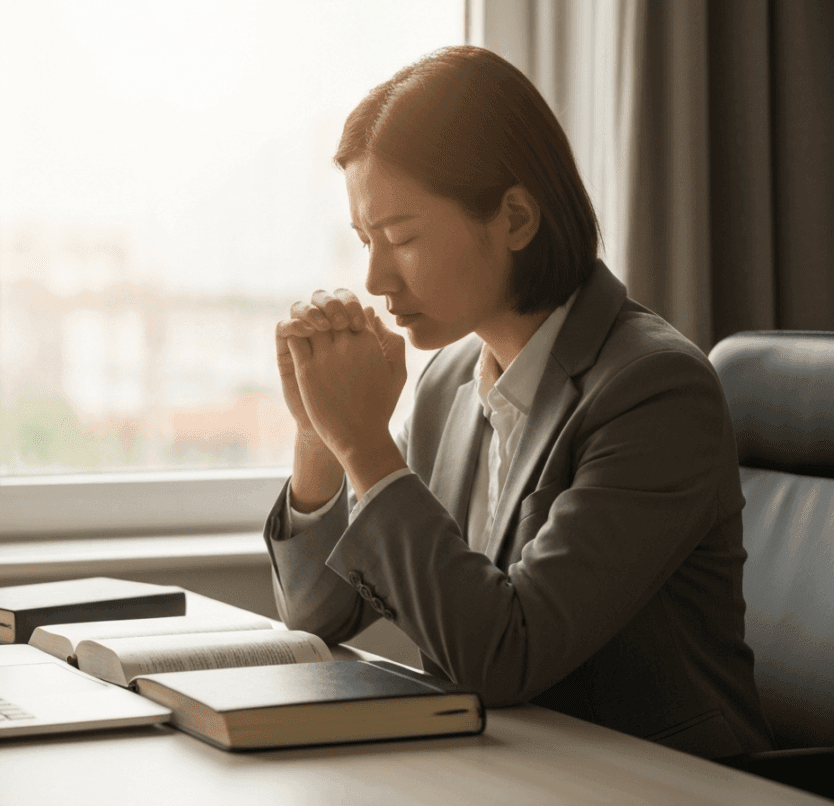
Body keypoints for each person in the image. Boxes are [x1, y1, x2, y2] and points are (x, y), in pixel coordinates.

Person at [265, 45, 773, 759]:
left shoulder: (655, 391)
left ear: (513, 218)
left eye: (401, 237)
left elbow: (507, 657)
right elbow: (316, 615)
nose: (375, 277)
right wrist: (320, 436)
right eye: (364, 241)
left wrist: (365, 445)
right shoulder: (448, 380)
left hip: (652, 781)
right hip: (501, 768)